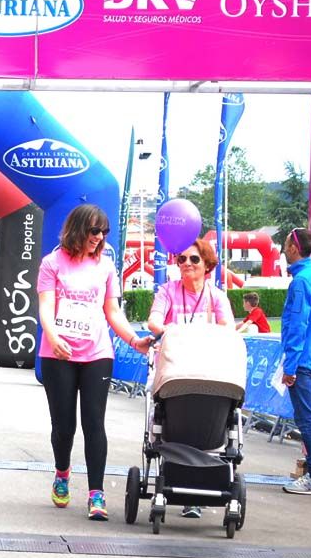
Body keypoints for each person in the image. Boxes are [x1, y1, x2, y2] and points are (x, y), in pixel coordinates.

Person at [37, 203, 150, 522]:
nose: (99, 237)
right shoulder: (52, 263)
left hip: (97, 352)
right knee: (63, 426)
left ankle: (96, 493)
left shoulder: (106, 267)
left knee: (94, 423)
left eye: (104, 232)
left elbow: (113, 312)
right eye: (94, 231)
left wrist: (134, 340)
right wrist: (53, 336)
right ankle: (62, 473)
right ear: (77, 229)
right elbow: (46, 305)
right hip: (58, 352)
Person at [146, 238, 234, 518]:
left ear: (207, 265)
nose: (186, 264)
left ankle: (195, 493)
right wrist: (169, 329)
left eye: (193, 260)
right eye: (181, 259)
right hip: (173, 369)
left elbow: (227, 327)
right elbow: (154, 321)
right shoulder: (168, 291)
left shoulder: (216, 296)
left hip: (206, 370)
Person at [280, 228, 311, 495]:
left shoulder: (300, 282)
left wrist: (289, 367)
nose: (283, 247)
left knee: (308, 418)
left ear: (293, 249)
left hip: (303, 360)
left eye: (286, 243)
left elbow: (297, 326)